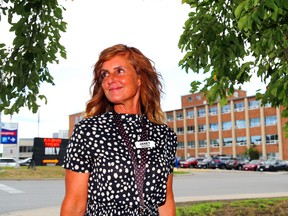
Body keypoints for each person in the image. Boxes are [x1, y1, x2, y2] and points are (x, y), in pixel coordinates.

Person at [60, 44, 178, 216]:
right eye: (105, 74)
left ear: (139, 78)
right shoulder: (88, 131)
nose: (110, 79)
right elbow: (75, 204)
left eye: (119, 71)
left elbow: (166, 200)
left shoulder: (164, 135)